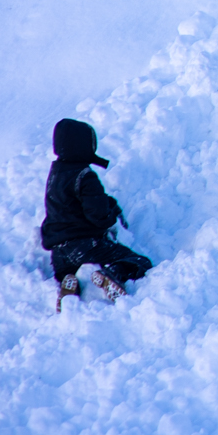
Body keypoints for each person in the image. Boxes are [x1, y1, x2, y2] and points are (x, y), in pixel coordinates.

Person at [40, 118, 154, 310]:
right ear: (82, 146)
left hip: (59, 254)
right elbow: (99, 216)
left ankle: (70, 285)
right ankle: (114, 273)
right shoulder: (85, 176)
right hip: (85, 246)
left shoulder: (55, 174)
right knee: (141, 262)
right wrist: (111, 215)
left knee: (68, 273)